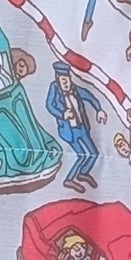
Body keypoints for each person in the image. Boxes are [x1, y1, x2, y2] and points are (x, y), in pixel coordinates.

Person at [46, 60, 104, 192]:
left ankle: (83, 173)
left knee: (94, 153)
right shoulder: (54, 89)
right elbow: (49, 105)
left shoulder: (75, 89)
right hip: (69, 130)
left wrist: (99, 110)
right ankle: (69, 179)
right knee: (81, 155)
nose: (66, 82)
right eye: (63, 80)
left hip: (82, 127)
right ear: (57, 79)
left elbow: (90, 97)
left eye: (67, 79)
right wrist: (62, 114)